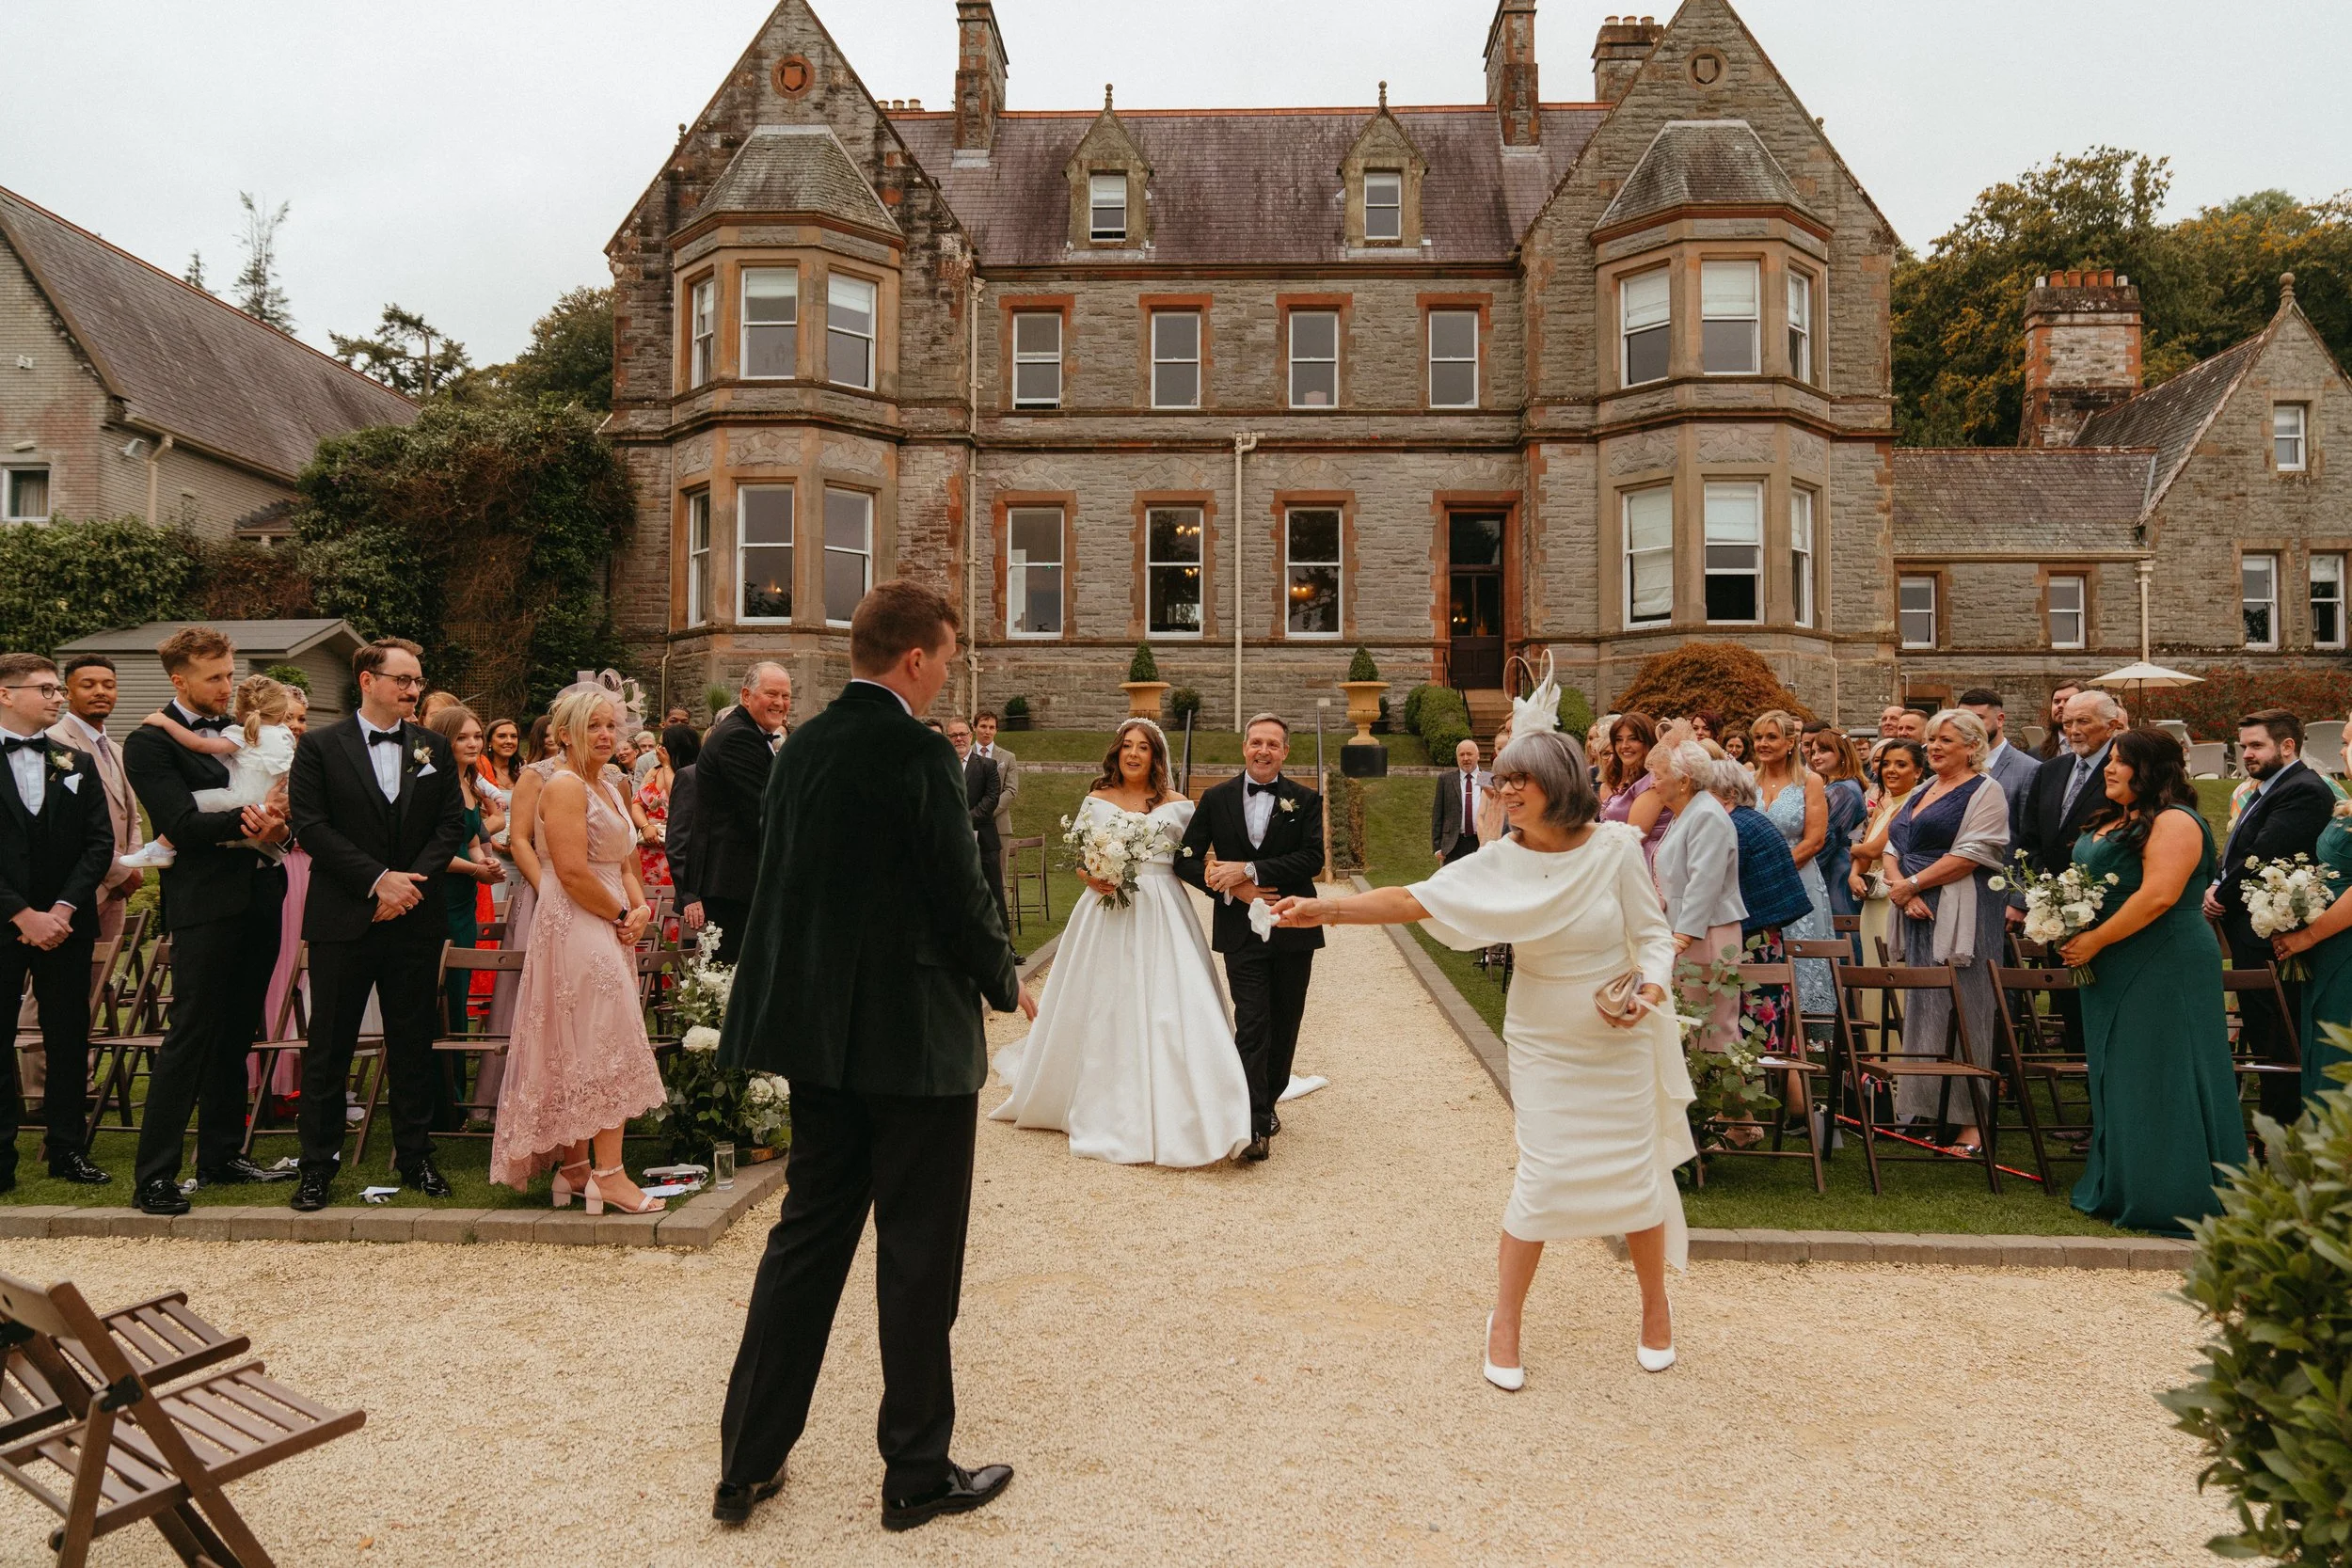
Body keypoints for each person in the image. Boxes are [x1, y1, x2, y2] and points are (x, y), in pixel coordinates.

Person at [713, 580, 1031, 1532]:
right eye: (945, 657)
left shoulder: (799, 745)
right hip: (913, 1043)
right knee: (918, 1255)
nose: (946, 674)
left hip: (822, 1037)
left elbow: (786, 884)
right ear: (915, 659)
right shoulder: (918, 752)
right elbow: (958, 884)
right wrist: (1005, 976)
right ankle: (916, 1471)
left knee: (804, 1242)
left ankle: (746, 1460)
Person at [1274, 725, 1689, 1384]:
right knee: (1543, 1173)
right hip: (1543, 1036)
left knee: (1635, 1172)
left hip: (1620, 1034)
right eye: (1502, 779)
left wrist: (1653, 985)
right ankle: (1505, 1319)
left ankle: (1654, 1306)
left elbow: (1654, 935)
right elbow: (1414, 898)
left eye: (1520, 778)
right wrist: (1325, 911)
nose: (1507, 790)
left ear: (1559, 781)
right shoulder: (1500, 858)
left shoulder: (1617, 848)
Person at [992, 720, 1250, 1165]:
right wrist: (1095, 876)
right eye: (1127, 746)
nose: (1133, 754)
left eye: (1143, 748)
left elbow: (1193, 860)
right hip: (1105, 909)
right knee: (1103, 999)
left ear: (1156, 756)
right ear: (1117, 753)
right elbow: (1082, 862)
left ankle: (1197, 1090)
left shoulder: (1180, 805)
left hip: (1164, 909)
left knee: (1174, 999)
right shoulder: (1096, 800)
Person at [285, 638, 467, 1212]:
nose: (413, 691)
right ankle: (317, 1166)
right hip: (345, 916)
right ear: (368, 680)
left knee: (412, 1042)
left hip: (413, 916)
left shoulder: (433, 746)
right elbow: (312, 826)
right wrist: (376, 881)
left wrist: (406, 885)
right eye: (403, 681)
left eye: (417, 682)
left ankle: (416, 1158)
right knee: (330, 1045)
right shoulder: (319, 746)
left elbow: (449, 825)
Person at [124, 626, 291, 1214]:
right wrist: (252, 824)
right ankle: (156, 1175)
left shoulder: (242, 729)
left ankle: (221, 1154)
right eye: (214, 677)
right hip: (203, 901)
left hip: (262, 891)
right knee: (191, 1030)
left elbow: (282, 801)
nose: (228, 686)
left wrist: (281, 829)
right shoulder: (149, 743)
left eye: (230, 673)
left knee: (239, 1028)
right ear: (180, 680)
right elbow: (180, 822)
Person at [2058, 730, 2247, 1233]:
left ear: (2152, 769)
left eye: (2120, 762)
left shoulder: (2176, 821)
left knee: (2164, 1065)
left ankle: (2173, 1192)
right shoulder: (2117, 818)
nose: (2108, 769)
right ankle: (2122, 1182)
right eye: (2109, 762)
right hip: (2114, 958)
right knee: (2119, 1068)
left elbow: (2160, 895)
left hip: (2165, 957)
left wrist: (2094, 939)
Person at [491, 685, 667, 1212]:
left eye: (611, 725)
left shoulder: (611, 786)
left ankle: (575, 1170)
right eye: (593, 726)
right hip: (579, 920)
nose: (606, 735)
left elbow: (625, 861)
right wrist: (618, 915)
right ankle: (609, 1176)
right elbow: (568, 871)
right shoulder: (564, 786)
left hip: (609, 917)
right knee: (605, 1041)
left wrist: (639, 909)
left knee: (584, 1040)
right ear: (564, 734)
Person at [1174, 713, 1327, 1162]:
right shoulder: (1216, 798)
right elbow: (1185, 857)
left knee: (1285, 1021)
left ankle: (1270, 1098)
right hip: (1239, 931)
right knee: (1253, 1021)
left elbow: (1312, 858)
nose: (1264, 751)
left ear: (1285, 752)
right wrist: (1228, 886)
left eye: (1273, 744)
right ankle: (1251, 1121)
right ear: (1244, 747)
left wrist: (1251, 869)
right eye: (1256, 742)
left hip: (1294, 926)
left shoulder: (1305, 799)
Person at [0, 654, 117, 1190]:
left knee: (69, 1038)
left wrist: (63, 909)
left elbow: (99, 843)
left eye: (55, 690)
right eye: (45, 689)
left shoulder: (75, 761)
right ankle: (2, 1159)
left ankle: (68, 1150)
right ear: (6, 694)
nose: (56, 698)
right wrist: (22, 913)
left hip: (67, 923)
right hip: (5, 921)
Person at [1881, 708, 2010, 1152]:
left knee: (1965, 1007)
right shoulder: (1922, 789)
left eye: (1945, 741)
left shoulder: (1986, 792)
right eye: (1931, 740)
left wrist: (1914, 885)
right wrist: (1903, 890)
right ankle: (1926, 1108)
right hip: (1915, 910)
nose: (1933, 747)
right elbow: (1894, 844)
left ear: (1973, 747)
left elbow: (1973, 853)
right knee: (1924, 1007)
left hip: (1963, 917)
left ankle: (1972, 1121)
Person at [2207, 708, 2337, 1127]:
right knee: (2265, 1032)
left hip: (2277, 934)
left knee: (2280, 1034)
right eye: (2243, 746)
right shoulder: (2265, 788)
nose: (2246, 754)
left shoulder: (2303, 790)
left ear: (2287, 746)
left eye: (2256, 745)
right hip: (2254, 930)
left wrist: (2218, 896)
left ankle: (2283, 1127)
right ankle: (2275, 1122)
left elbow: (2265, 853)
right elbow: (2236, 851)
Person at [117, 675, 299, 868]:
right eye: (214, 678)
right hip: (272, 795)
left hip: (243, 797)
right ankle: (270, 855)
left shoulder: (245, 733)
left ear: (239, 710)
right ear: (281, 713)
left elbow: (199, 744)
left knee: (193, 804)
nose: (226, 688)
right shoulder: (285, 734)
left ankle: (160, 849)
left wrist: (165, 722)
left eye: (229, 677)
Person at [1649, 736, 1745, 1058]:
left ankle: (1733, 1110)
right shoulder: (1686, 812)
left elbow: (1705, 882)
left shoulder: (1705, 815)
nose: (1653, 783)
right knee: (1689, 1027)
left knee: (1715, 1030)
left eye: (1659, 776)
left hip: (1707, 934)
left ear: (1683, 781)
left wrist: (1681, 937)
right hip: (1687, 933)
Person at [2275, 722, 2352, 1106]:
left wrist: (2306, 936)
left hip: (2343, 946)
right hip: (2330, 944)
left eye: (2348, 742)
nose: (2341, 751)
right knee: (2323, 1042)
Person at [695, 661, 792, 963]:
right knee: (732, 980)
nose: (780, 703)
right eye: (772, 694)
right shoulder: (739, 738)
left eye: (786, 696)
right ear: (746, 695)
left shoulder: (749, 733)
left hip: (739, 883)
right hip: (736, 884)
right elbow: (763, 812)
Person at [1715, 762, 1815, 1056]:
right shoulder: (1751, 820)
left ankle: (1778, 1095)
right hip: (1764, 933)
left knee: (1757, 1021)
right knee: (1771, 1024)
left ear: (1729, 794)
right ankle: (1790, 1096)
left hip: (1753, 936)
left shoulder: (1736, 826)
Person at [47, 653, 143, 942]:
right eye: (88, 685)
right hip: (75, 891)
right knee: (65, 985)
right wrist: (119, 873)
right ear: (67, 693)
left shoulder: (114, 748)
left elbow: (131, 814)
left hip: (116, 894)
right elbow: (64, 822)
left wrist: (133, 866)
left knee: (101, 984)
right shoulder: (55, 744)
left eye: (109, 685)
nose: (101, 692)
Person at [1749, 711, 1834, 1033]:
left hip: (1798, 878)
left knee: (1801, 948)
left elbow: (1815, 839)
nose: (1762, 744)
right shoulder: (1748, 781)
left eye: (1771, 737)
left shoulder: (1809, 781)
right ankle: (1769, 1024)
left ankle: (1809, 1029)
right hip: (1755, 882)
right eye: (1758, 737)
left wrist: (1777, 871)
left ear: (1789, 743)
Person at [426, 705, 506, 1037]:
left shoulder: (468, 782)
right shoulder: (433, 785)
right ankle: (438, 1079)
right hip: (439, 894)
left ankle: (454, 1082)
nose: (473, 744)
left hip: (465, 899)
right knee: (440, 986)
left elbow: (472, 839)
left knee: (459, 987)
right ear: (445, 741)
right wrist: (476, 869)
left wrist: (484, 861)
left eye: (476, 736)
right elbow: (432, 852)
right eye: (462, 738)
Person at [257, 688, 313, 1110]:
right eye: (289, 718)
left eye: (301, 719)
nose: (296, 727)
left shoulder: (309, 761)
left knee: (301, 974)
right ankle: (262, 1079)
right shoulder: (255, 761)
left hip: (307, 869)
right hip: (279, 870)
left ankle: (293, 1079)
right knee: (275, 970)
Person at [1851, 739, 1925, 976]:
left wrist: (1845, 846)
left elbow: (1875, 849)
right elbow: (1866, 848)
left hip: (1893, 897)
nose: (1891, 770)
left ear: (1918, 772)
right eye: (1886, 764)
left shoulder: (1915, 802)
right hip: (1872, 896)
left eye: (1901, 764)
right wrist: (1853, 875)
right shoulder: (1884, 801)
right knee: (1872, 966)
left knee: (1892, 968)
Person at [946, 718, 1008, 939]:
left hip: (984, 841)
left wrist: (961, 821)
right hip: (950, 843)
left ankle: (1004, 946)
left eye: (962, 734)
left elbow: (991, 800)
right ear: (948, 738)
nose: (959, 739)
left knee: (993, 893)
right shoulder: (941, 768)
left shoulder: (987, 766)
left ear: (970, 736)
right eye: (953, 735)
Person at [1804, 725, 1868, 926]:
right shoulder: (1841, 786)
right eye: (1813, 752)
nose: (1815, 757)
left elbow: (1827, 836)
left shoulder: (1842, 790)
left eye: (1823, 751)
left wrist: (1806, 872)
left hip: (1835, 870)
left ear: (1842, 754)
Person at [1961, 689, 2038, 833]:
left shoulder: (2029, 768)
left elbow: (2028, 832)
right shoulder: (1953, 764)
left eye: (1979, 719)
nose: (1970, 728)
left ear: (2000, 720)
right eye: (1964, 721)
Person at [1599, 713, 1672, 867]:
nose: (1624, 745)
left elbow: (1633, 838)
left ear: (1648, 742)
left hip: (1643, 868)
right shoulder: (1629, 778)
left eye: (1633, 739)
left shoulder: (1654, 782)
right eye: (1619, 740)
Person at [973, 712, 1018, 907]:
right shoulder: (965, 755)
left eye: (991, 727)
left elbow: (1011, 790)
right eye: (983, 726)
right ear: (974, 727)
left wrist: (987, 811)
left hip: (998, 825)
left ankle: (1001, 930)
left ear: (996, 730)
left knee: (999, 879)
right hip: (969, 823)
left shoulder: (1007, 757)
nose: (987, 731)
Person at [1432, 736, 1486, 866]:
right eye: (1461, 755)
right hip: (1453, 845)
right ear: (1457, 758)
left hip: (1480, 841)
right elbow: (1437, 814)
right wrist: (1437, 847)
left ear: (1477, 756)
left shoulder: (1487, 778)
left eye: (1469, 754)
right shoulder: (1446, 780)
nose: (1465, 758)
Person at [635, 737, 674, 898]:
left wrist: (667, 766)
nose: (658, 750)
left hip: (674, 846)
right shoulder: (653, 772)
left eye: (663, 745)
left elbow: (676, 797)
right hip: (648, 844)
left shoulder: (691, 771)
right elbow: (636, 804)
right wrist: (645, 826)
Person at [2040, 681, 2085, 759]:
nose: (2060, 705)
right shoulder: (2036, 754)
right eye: (2057, 701)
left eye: (2068, 700)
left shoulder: (2106, 753)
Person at [483, 718, 523, 792]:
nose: (509, 741)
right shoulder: (480, 770)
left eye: (513, 736)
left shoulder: (523, 770)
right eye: (502, 736)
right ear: (489, 742)